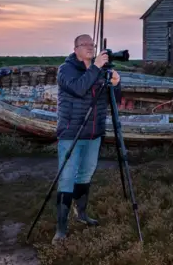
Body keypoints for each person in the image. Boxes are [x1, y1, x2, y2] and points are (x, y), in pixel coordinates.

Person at [52, 34, 121, 244]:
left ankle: (81, 214)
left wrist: (116, 85)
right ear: (75, 48)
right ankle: (61, 229)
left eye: (93, 45)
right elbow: (79, 89)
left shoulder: (100, 70)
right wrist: (96, 67)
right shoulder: (66, 69)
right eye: (86, 45)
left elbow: (113, 101)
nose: (91, 48)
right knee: (67, 177)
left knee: (85, 174)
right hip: (71, 132)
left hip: (94, 133)